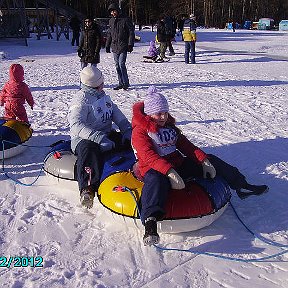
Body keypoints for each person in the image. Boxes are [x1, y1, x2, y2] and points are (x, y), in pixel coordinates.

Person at [131, 86, 269, 246]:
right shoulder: (140, 131)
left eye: (165, 112)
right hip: (153, 168)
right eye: (158, 113)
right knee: (155, 181)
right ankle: (150, 222)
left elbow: (186, 147)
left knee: (211, 159)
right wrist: (169, 172)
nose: (163, 117)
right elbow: (149, 156)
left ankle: (241, 185)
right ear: (148, 114)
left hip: (176, 164)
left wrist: (203, 160)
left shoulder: (169, 127)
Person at [68, 66, 132, 209]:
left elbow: (116, 113)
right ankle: (87, 189)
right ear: (95, 84)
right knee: (89, 150)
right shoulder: (81, 100)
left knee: (127, 140)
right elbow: (76, 125)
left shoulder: (102, 95)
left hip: (105, 135)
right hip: (84, 139)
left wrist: (127, 129)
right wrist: (97, 137)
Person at [105, 3, 135, 90]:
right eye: (111, 12)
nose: (113, 13)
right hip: (114, 46)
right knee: (117, 65)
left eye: (114, 11)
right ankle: (120, 83)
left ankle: (126, 83)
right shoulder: (111, 21)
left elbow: (131, 33)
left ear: (117, 10)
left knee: (121, 64)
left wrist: (130, 44)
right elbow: (109, 34)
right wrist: (107, 45)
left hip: (123, 45)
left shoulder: (125, 19)